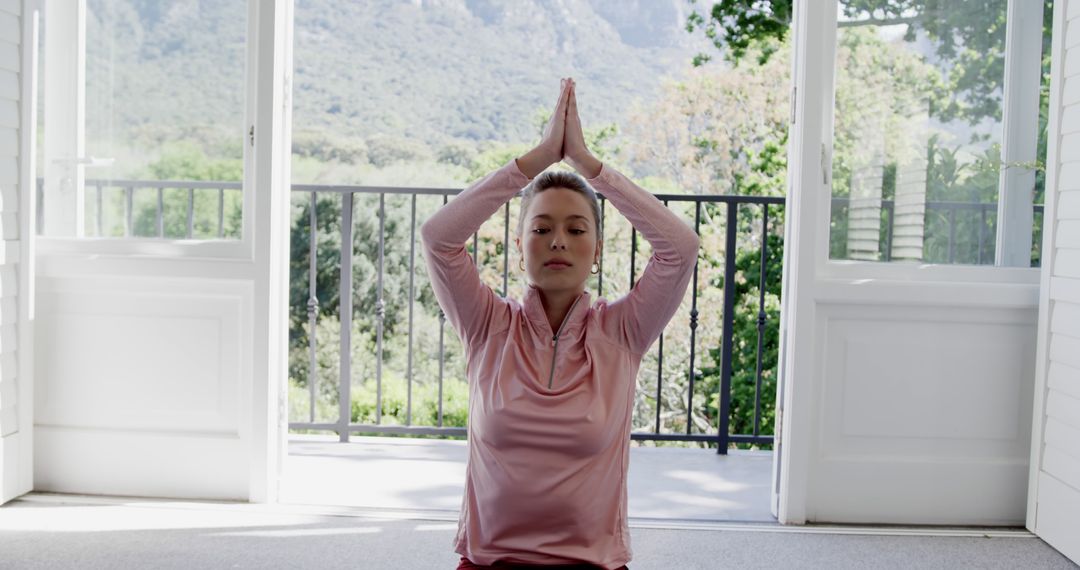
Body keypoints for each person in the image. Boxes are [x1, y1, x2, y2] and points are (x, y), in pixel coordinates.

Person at [420, 78, 700, 570]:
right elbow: (438, 238)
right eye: (541, 228)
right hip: (489, 561)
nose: (557, 242)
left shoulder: (623, 332)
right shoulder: (487, 325)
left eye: (576, 229)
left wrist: (588, 166)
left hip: (592, 564)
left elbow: (680, 249)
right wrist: (538, 158)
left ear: (597, 251)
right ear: (521, 244)